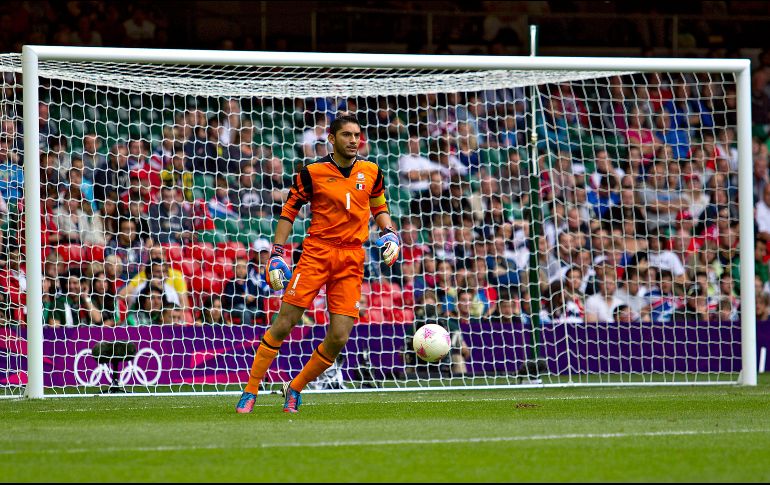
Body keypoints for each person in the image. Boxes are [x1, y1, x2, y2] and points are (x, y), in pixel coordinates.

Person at [236, 114, 400, 414]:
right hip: (316, 254)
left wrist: (390, 233)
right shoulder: (312, 172)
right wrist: (276, 253)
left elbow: (379, 207)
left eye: (357, 135)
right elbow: (289, 211)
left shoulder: (372, 171)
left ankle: (295, 387)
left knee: (339, 336)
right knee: (284, 323)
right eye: (347, 135)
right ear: (332, 139)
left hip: (352, 257)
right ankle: (250, 390)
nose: (354, 140)